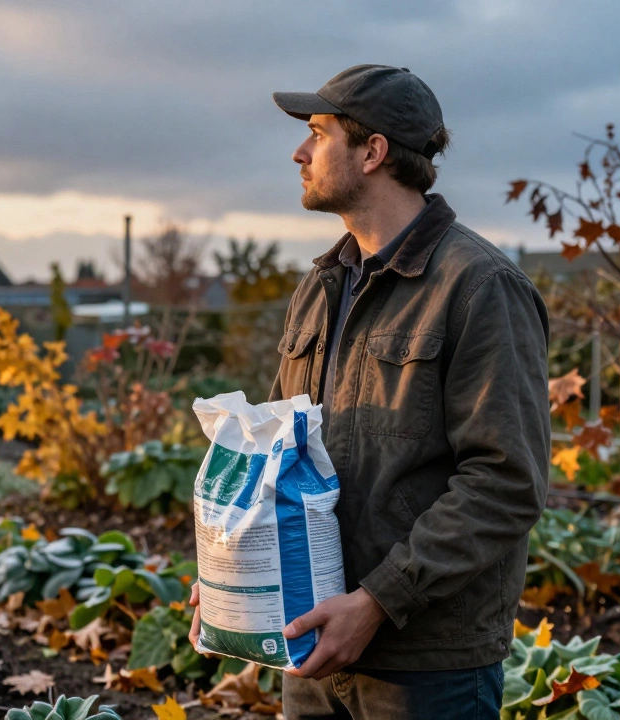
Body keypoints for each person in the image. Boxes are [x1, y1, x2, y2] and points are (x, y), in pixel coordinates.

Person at [188, 65, 551, 720]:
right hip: (313, 648)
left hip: (424, 668)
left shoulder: (478, 286)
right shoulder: (322, 285)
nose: (299, 152)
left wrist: (377, 602)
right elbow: (279, 450)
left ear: (373, 151)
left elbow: (506, 481)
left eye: (318, 134)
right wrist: (235, 573)